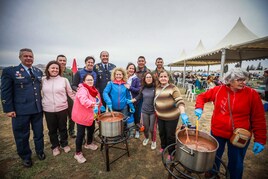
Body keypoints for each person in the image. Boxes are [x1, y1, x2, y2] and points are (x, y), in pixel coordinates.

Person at [194, 68, 266, 179]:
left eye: (244, 79)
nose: (244, 82)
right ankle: (212, 175)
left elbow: (258, 118)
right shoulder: (218, 90)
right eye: (239, 80)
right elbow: (202, 97)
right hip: (218, 132)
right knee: (213, 158)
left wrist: (260, 139)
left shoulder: (252, 94)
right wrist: (199, 107)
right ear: (230, 80)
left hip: (240, 135)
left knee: (236, 163)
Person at [1, 48, 45, 167]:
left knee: (39, 133)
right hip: (21, 110)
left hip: (37, 109)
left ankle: (40, 151)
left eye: (30, 56)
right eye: (25, 56)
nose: (28, 58)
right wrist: (8, 109)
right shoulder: (10, 72)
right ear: (20, 57)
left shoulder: (37, 71)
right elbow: (5, 91)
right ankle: (25, 156)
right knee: (22, 135)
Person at [42, 61, 75, 156]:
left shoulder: (64, 80)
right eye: (52, 68)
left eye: (57, 68)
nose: (55, 70)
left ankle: (64, 144)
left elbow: (70, 93)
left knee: (62, 127)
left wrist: (78, 102)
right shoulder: (43, 80)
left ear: (59, 70)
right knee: (52, 129)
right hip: (48, 109)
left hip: (62, 108)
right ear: (48, 69)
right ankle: (55, 146)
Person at [154, 70, 189, 159]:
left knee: (170, 135)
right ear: (158, 78)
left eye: (165, 76)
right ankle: (163, 146)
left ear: (168, 78)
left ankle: (171, 152)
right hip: (160, 116)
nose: (163, 78)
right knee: (162, 133)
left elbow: (180, 101)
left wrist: (183, 113)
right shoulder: (157, 88)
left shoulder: (173, 88)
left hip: (171, 117)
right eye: (161, 76)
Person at [72, 74, 105, 163]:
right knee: (80, 134)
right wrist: (93, 104)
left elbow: (98, 100)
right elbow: (84, 100)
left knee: (91, 129)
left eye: (91, 80)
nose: (90, 81)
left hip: (92, 116)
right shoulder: (82, 90)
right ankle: (78, 153)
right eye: (88, 80)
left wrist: (100, 106)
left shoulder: (94, 90)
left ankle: (89, 143)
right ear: (84, 81)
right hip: (82, 116)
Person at [129, 72, 157, 149]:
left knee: (152, 129)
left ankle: (154, 141)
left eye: (150, 77)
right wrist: (132, 100)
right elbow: (139, 96)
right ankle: (147, 138)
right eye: (147, 77)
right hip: (144, 111)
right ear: (144, 79)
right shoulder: (143, 88)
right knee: (145, 127)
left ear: (152, 78)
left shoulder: (156, 88)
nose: (148, 78)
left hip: (153, 112)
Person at [56, 54, 76, 138]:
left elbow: (73, 84)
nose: (62, 62)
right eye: (60, 60)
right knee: (61, 117)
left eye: (64, 60)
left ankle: (71, 131)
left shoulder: (69, 72)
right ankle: (60, 133)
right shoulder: (54, 71)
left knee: (72, 115)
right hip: (58, 98)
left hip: (69, 97)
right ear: (57, 61)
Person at [125, 62, 141, 138]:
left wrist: (130, 87)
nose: (131, 70)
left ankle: (137, 131)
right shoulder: (124, 78)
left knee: (136, 116)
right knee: (127, 116)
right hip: (126, 101)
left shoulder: (136, 79)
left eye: (133, 68)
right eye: (130, 68)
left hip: (134, 101)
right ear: (127, 69)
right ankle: (128, 131)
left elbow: (138, 90)